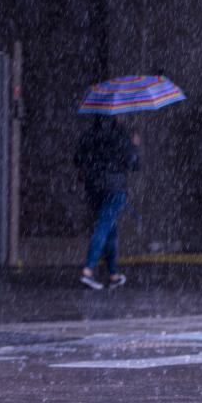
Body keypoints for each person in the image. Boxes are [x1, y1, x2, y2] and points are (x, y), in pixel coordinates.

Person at [73, 115, 139, 290]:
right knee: (103, 226)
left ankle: (113, 274)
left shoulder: (90, 134)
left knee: (110, 229)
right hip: (115, 187)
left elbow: (78, 159)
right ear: (116, 114)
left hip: (94, 186)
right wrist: (134, 145)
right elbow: (133, 164)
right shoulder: (122, 135)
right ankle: (88, 270)